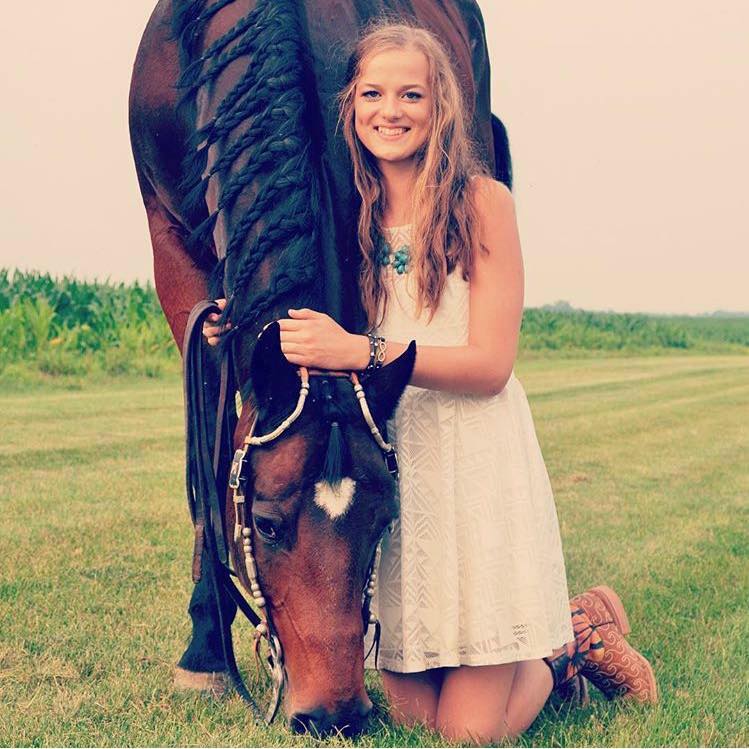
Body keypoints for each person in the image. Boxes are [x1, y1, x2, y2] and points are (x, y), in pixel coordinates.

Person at [204, 21, 657, 745]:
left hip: (473, 452)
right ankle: (559, 632)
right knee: (412, 718)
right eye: (374, 93)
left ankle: (564, 648)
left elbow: (488, 366)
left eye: (411, 93)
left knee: (463, 736)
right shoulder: (351, 216)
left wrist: (362, 348)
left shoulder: (483, 204)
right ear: (350, 105)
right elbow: (314, 330)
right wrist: (244, 324)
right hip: (399, 459)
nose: (392, 110)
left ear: (440, 103)